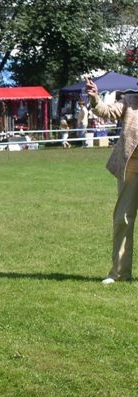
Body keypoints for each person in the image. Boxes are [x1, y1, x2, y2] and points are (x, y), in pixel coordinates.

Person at [85, 77, 137, 284]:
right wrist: (95, 98)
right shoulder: (129, 101)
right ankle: (119, 273)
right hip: (130, 167)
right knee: (123, 219)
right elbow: (106, 111)